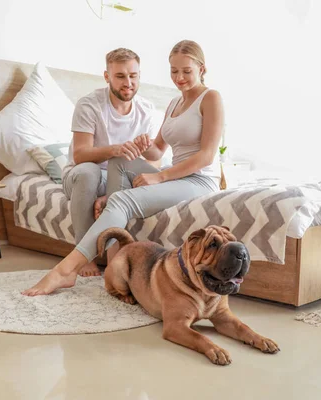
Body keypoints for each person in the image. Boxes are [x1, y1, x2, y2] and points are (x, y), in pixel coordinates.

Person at [22, 40, 224, 296]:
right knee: (119, 160)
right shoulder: (174, 103)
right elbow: (157, 151)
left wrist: (159, 177)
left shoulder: (211, 98)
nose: (179, 77)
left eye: (186, 71)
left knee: (121, 202)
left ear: (201, 68)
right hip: (177, 175)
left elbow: (206, 156)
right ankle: (115, 258)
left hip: (199, 180)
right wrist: (142, 144)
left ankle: (65, 271)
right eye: (174, 71)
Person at [62, 48, 157, 277]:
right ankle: (83, 255)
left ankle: (118, 258)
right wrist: (115, 150)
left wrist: (109, 195)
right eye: (120, 76)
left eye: (133, 76)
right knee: (89, 173)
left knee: (132, 175)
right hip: (81, 176)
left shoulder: (147, 110)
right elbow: (80, 155)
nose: (128, 83)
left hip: (119, 177)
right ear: (107, 77)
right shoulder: (89, 105)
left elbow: (152, 163)